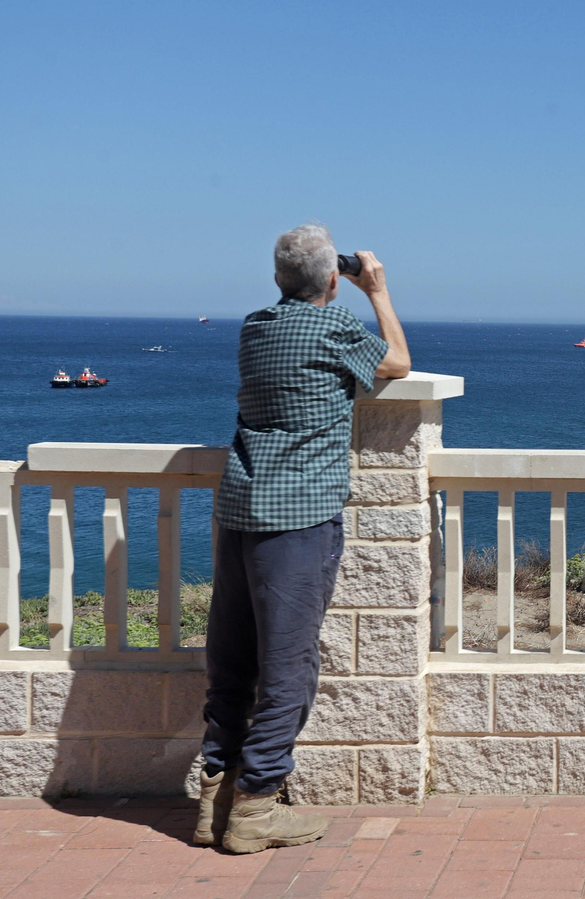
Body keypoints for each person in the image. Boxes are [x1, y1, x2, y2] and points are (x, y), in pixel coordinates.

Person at [196, 224, 410, 854]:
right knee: (289, 665)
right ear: (335, 280)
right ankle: (256, 808)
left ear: (277, 280)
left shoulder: (254, 327)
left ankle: (215, 797)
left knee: (231, 660)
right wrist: (379, 292)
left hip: (238, 509)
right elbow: (396, 361)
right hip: (297, 521)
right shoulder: (334, 329)